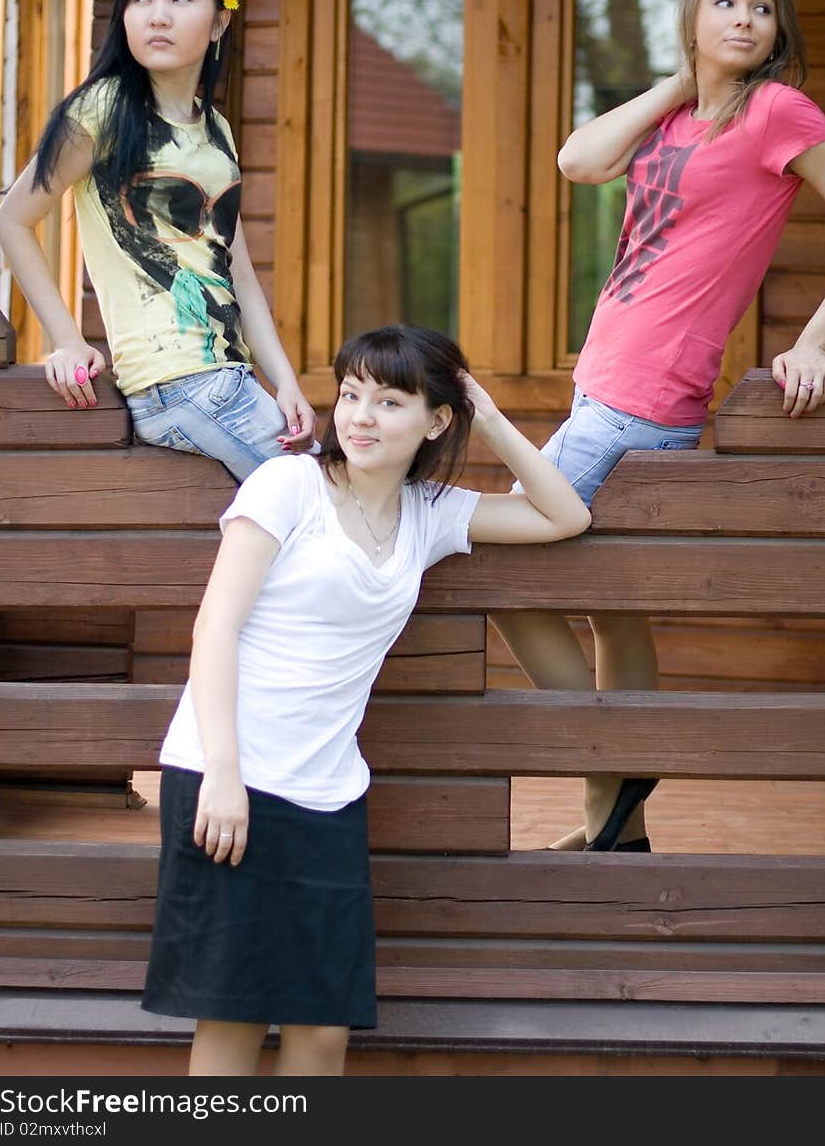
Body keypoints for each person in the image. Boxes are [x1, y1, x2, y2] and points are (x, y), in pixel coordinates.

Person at [492, 0, 825, 855]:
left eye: (764, 8)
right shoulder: (671, 123)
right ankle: (614, 829)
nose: (745, 19)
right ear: (694, 18)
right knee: (615, 604)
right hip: (603, 389)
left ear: (779, 31)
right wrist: (677, 85)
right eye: (725, 3)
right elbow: (576, 160)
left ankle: (612, 758)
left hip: (646, 399)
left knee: (490, 567)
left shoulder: (779, 111)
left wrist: (815, 338)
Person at [140, 322, 591, 1076]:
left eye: (388, 402)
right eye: (350, 395)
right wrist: (223, 771)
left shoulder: (432, 513)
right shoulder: (287, 485)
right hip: (230, 778)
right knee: (234, 1019)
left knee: (323, 1029)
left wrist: (485, 408)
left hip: (328, 795)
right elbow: (215, 626)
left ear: (435, 421)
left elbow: (564, 516)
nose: (358, 417)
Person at [0, 0, 315, 481]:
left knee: (334, 507)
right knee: (332, 500)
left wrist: (283, 379)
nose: (156, 16)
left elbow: (234, 268)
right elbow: (13, 220)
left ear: (219, 22)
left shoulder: (216, 130)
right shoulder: (105, 108)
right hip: (175, 381)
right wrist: (68, 341)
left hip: (227, 377)